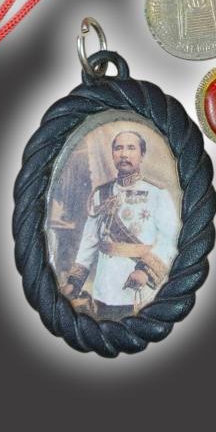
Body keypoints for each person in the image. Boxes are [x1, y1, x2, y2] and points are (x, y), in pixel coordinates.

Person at [61, 130, 180, 320]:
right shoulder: (101, 193)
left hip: (137, 286)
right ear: (113, 154)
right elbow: (89, 240)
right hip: (104, 287)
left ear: (142, 154)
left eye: (131, 148)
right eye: (119, 148)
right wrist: (74, 282)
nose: (124, 154)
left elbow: (170, 238)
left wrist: (145, 271)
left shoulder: (157, 193)